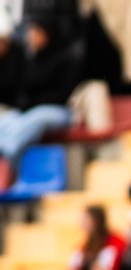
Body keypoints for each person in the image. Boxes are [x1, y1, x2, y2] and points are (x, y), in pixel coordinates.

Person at [0, 18, 80, 165]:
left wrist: (33, 102)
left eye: (35, 32)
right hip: (31, 110)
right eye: (30, 32)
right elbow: (20, 91)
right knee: (6, 120)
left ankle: (8, 150)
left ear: (46, 34)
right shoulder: (30, 60)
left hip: (60, 110)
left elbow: (64, 94)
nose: (31, 36)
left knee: (38, 118)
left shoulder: (63, 59)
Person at [68, 204, 127, 270]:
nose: (82, 224)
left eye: (86, 220)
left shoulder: (115, 242)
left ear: (96, 221)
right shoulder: (84, 247)